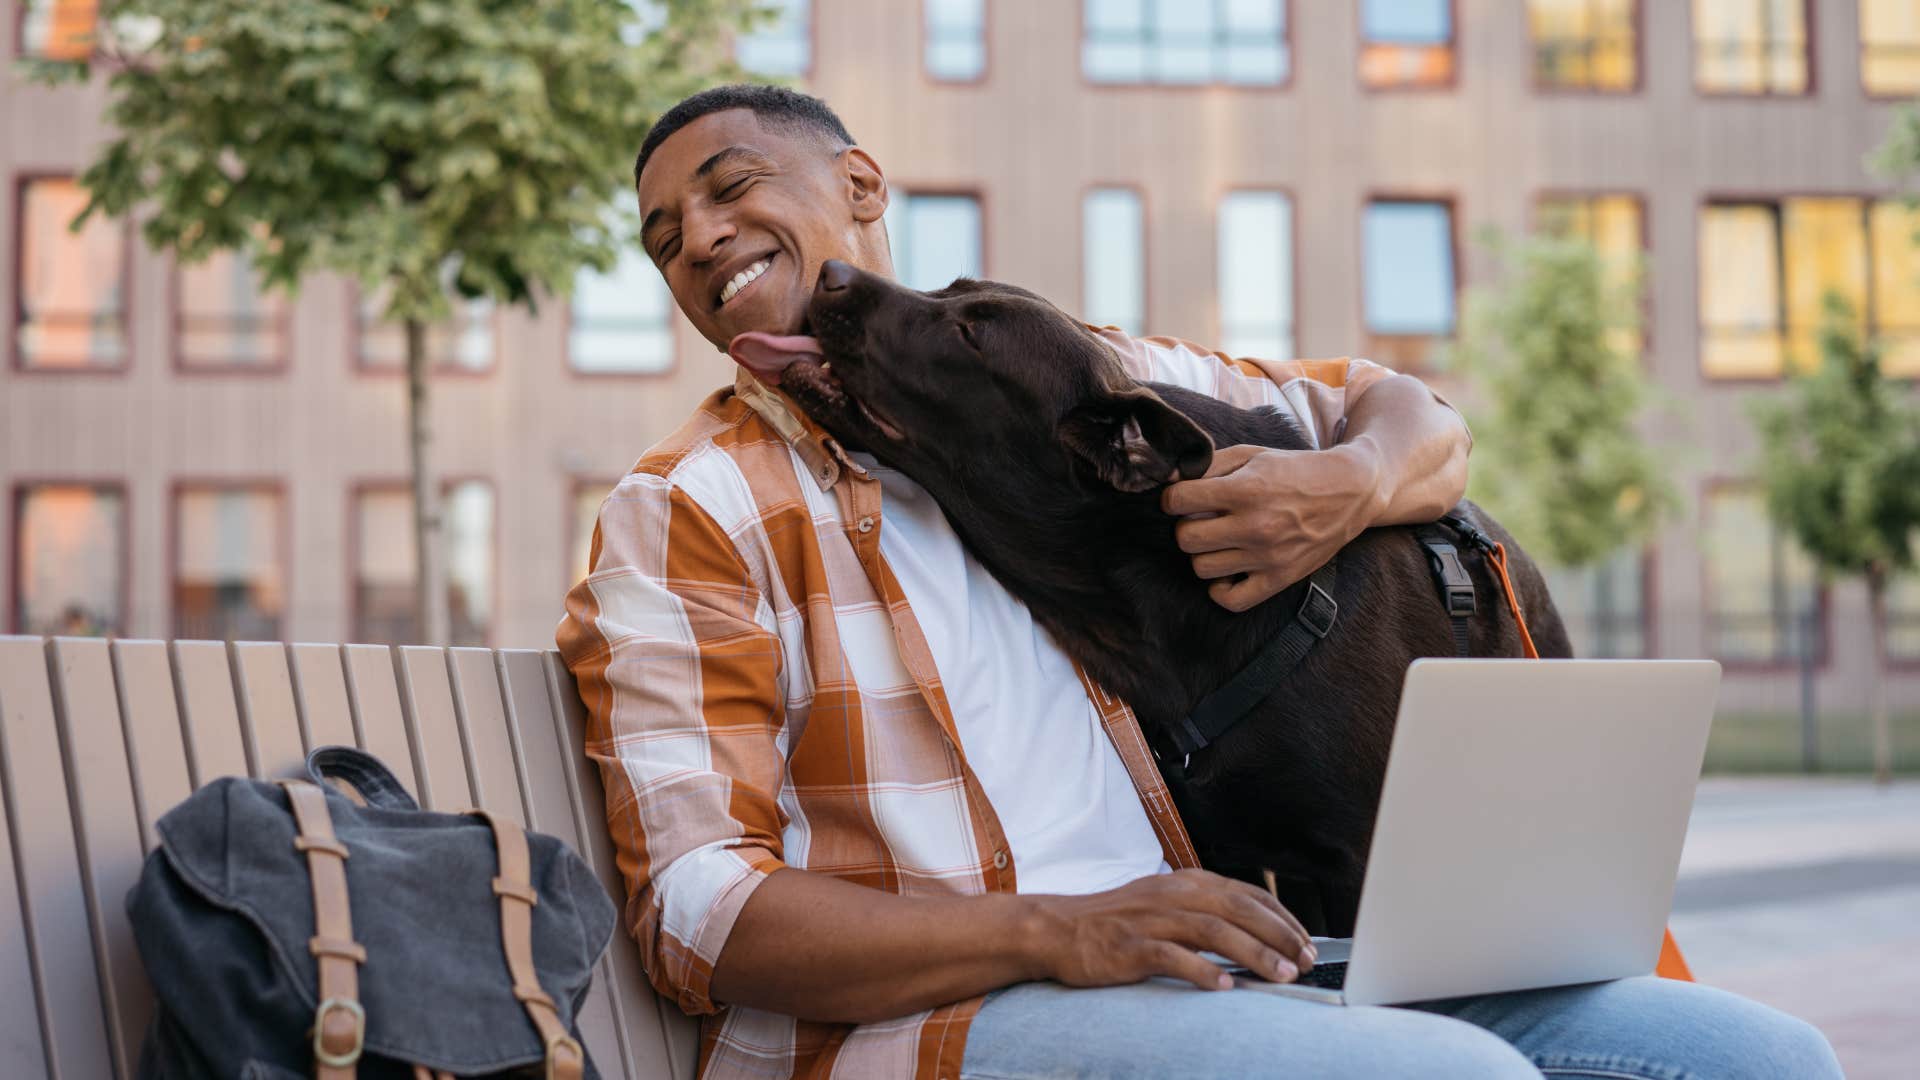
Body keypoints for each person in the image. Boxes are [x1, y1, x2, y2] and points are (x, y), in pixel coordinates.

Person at [556, 85, 1840, 1080]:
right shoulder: (688, 510)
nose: (703, 241)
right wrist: (1061, 930)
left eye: (730, 190)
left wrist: (1355, 480)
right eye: (667, 241)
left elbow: (1408, 415)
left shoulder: (1058, 371)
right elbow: (699, 916)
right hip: (934, 1024)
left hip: (1208, 970)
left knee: (1765, 1057)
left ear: (859, 183)